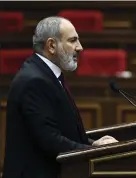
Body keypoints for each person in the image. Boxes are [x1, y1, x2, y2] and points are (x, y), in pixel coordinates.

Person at [2, 16, 118, 178]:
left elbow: (63, 133)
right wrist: (95, 150)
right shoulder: (34, 80)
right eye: (72, 40)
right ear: (51, 45)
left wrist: (94, 143)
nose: (80, 47)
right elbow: (50, 140)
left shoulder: (45, 74)